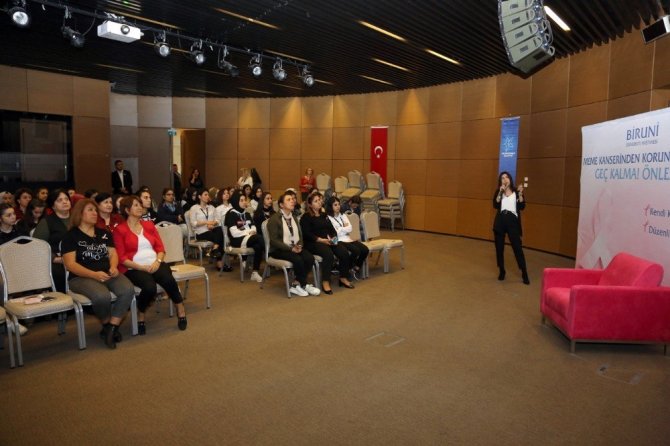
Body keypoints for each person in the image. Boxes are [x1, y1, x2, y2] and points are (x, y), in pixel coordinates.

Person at [62, 199, 135, 349]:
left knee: (127, 290)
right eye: (90, 210)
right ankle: (107, 325)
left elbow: (113, 254)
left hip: (107, 273)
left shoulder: (104, 233)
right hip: (81, 277)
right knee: (102, 296)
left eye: (95, 210)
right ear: (80, 213)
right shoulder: (71, 236)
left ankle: (112, 328)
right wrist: (93, 274)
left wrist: (113, 267)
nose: (95, 213)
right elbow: (70, 264)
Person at [114, 196, 188, 334]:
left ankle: (180, 308)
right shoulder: (120, 230)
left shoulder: (149, 225)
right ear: (127, 210)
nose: (140, 207)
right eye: (136, 205)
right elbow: (122, 258)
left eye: (140, 205)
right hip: (134, 268)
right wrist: (141, 267)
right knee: (149, 287)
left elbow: (160, 248)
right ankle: (141, 314)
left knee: (168, 279)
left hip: (155, 263)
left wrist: (157, 262)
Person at [266, 193, 321, 297]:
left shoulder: (294, 217)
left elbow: (300, 235)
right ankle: (303, 285)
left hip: (294, 247)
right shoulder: (274, 219)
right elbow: (274, 241)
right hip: (278, 249)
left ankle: (297, 283)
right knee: (298, 259)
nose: (292, 201)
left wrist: (299, 246)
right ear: (281, 205)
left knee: (309, 258)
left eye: (292, 199)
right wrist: (290, 248)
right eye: (288, 199)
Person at [300, 192, 353, 294]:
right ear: (310, 204)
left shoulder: (324, 215)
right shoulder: (306, 217)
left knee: (343, 251)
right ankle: (325, 281)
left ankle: (343, 278)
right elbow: (306, 234)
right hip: (313, 243)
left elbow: (332, 229)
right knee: (328, 254)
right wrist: (321, 240)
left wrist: (333, 239)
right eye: (316, 201)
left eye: (319, 200)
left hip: (328, 241)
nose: (319, 202)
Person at [493, 171, 529, 285]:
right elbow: (495, 204)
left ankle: (524, 272)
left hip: (513, 222)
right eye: (502, 178)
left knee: (517, 248)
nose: (505, 179)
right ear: (500, 181)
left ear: (510, 179)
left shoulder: (516, 191)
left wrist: (520, 194)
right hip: (500, 222)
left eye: (506, 177)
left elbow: (522, 206)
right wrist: (500, 192)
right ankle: (502, 271)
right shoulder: (499, 191)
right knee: (499, 249)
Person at [33, 189, 72, 292]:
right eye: (59, 200)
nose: (65, 202)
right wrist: (55, 258)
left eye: (66, 199)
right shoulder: (46, 222)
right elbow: (36, 246)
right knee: (59, 273)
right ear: (53, 206)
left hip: (80, 257)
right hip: (57, 261)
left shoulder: (78, 219)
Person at [225, 192, 265, 282]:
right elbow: (234, 233)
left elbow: (253, 226)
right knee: (259, 238)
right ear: (236, 201)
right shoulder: (231, 214)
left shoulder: (246, 214)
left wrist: (252, 231)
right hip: (237, 240)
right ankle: (270, 254)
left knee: (258, 246)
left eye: (245, 200)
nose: (244, 202)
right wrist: (249, 232)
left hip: (249, 238)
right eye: (241, 200)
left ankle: (255, 273)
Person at [325, 196, 369, 279]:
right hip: (339, 240)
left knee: (365, 250)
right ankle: (347, 269)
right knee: (356, 251)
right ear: (330, 206)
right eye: (335, 205)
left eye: (338, 204)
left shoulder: (342, 215)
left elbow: (350, 228)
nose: (338, 206)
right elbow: (335, 232)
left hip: (347, 238)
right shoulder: (329, 218)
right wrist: (344, 228)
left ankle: (355, 267)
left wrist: (340, 228)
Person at [189, 188, 223, 269]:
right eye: (205, 195)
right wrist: (206, 222)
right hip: (200, 233)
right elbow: (193, 223)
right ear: (199, 196)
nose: (208, 196)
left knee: (219, 230)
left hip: (212, 230)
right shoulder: (194, 208)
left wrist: (213, 224)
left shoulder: (211, 207)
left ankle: (215, 249)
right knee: (220, 237)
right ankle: (219, 261)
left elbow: (218, 220)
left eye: (208, 195)